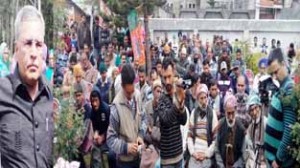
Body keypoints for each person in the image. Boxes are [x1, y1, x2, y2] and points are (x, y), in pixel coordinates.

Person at [0, 5, 53, 167]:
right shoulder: (2, 93)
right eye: (28, 43)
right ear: (16, 50)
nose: (33, 53)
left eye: (38, 45)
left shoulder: (49, 95)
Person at [107, 64, 144, 168]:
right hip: (124, 162)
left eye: (132, 91)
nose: (131, 96)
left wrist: (140, 135)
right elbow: (110, 139)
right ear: (122, 86)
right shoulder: (116, 106)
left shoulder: (137, 95)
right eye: (128, 93)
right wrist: (126, 147)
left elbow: (144, 119)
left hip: (138, 159)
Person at [264, 48, 296, 168]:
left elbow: (289, 130)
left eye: (276, 72)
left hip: (280, 163)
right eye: (272, 73)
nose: (274, 77)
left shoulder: (289, 90)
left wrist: (278, 160)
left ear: (283, 64)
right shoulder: (283, 88)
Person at [153, 57, 187, 167]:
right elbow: (166, 120)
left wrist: (181, 104)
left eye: (169, 76)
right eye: (164, 77)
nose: (167, 81)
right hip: (167, 158)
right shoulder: (161, 98)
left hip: (179, 154)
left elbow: (183, 121)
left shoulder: (177, 93)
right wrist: (177, 103)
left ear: (174, 74)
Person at [214, 94, 250, 168]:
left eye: (232, 113)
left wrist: (235, 166)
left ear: (236, 110)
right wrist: (221, 166)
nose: (230, 117)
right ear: (225, 111)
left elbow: (244, 155)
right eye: (228, 113)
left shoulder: (241, 128)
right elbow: (217, 149)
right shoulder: (220, 125)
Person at [187, 84, 218, 167]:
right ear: (197, 100)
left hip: (206, 152)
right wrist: (193, 152)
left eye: (205, 97)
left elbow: (215, 139)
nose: (204, 101)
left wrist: (206, 154)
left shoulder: (212, 114)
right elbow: (189, 136)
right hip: (195, 151)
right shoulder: (194, 113)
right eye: (201, 98)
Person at [90, 87, 111, 168]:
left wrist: (103, 137)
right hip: (99, 137)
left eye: (96, 100)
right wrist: (96, 134)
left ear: (99, 99)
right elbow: (95, 127)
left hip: (109, 137)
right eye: (93, 101)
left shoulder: (106, 109)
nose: (94, 104)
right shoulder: (92, 112)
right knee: (94, 146)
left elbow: (111, 127)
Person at [247, 93, 266, 167]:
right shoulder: (250, 128)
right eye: (251, 110)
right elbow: (250, 148)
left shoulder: (266, 124)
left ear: (260, 107)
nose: (254, 113)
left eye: (256, 108)